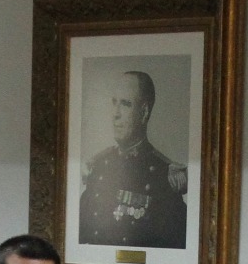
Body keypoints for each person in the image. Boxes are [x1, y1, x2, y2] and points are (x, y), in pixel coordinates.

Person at [78, 71, 187, 249]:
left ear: (144, 113)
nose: (115, 113)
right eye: (114, 102)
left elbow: (172, 249)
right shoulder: (97, 166)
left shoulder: (164, 175)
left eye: (125, 104)